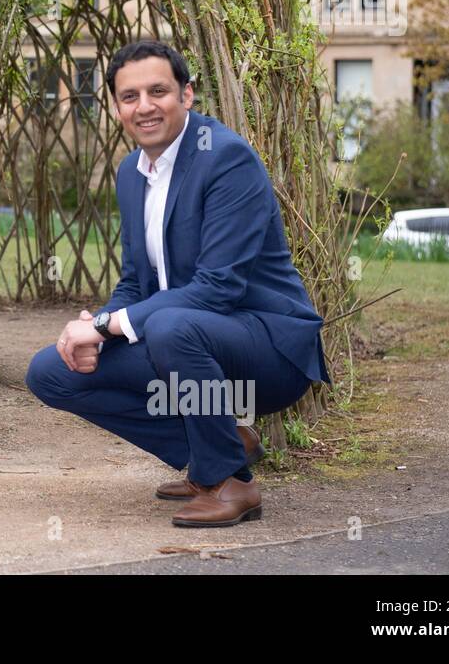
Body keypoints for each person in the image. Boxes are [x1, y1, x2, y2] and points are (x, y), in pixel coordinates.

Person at [25, 41, 329, 527]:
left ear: (186, 95)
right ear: (118, 107)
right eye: (129, 96)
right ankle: (220, 442)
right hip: (187, 341)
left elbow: (217, 289)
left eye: (158, 91)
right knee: (51, 370)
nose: (144, 106)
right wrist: (93, 327)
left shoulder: (227, 159)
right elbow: (134, 283)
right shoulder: (131, 173)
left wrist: (106, 327)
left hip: (268, 351)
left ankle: (230, 482)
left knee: (169, 327)